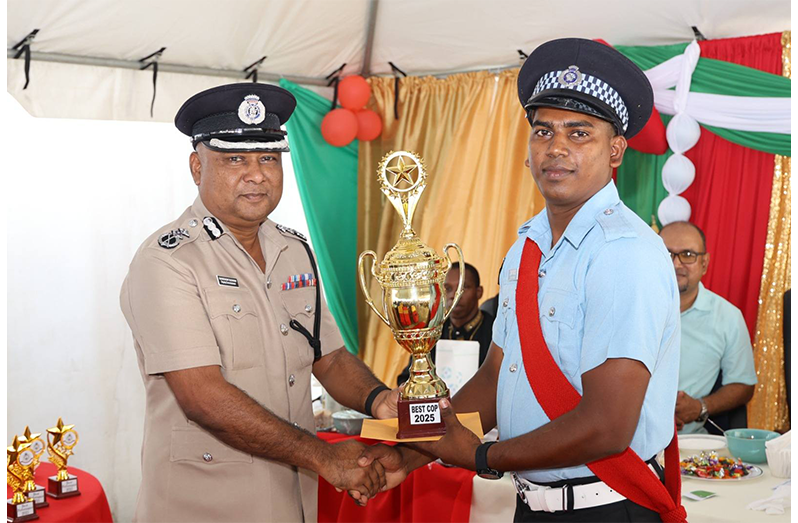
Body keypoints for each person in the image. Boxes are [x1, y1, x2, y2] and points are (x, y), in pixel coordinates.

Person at [360, 38, 687, 522]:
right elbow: (499, 375)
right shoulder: (525, 249)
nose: (556, 147)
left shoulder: (624, 252)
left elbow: (607, 426)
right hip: (532, 504)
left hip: (608, 506)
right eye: (543, 131)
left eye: (580, 133)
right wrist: (411, 454)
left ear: (616, 150)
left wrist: (482, 457)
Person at [120, 83, 399, 523]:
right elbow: (202, 396)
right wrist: (323, 457)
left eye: (269, 158)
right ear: (197, 167)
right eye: (235, 159)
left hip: (292, 499)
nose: (257, 175)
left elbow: (328, 358)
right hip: (206, 507)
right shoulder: (167, 261)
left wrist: (380, 400)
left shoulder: (295, 251)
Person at [659, 221, 757, 433]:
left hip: (691, 443)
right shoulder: (630, 308)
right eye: (667, 254)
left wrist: (699, 407)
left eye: (687, 255)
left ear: (704, 263)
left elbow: (743, 385)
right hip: (626, 438)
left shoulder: (728, 317)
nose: (676, 264)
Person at [396, 263, 495, 386]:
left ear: (479, 292)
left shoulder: (495, 331)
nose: (454, 295)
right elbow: (408, 378)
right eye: (448, 289)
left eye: (463, 288)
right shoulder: (430, 331)